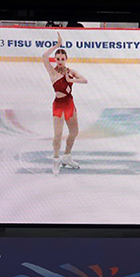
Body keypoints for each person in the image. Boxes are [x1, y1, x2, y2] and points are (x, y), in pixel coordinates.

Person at [42, 32, 87, 175]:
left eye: (62, 58)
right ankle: (56, 160)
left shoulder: (70, 71)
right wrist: (56, 45)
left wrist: (71, 79)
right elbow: (43, 57)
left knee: (74, 132)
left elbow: (84, 80)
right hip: (58, 104)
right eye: (58, 58)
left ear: (66, 59)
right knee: (58, 134)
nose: (60, 60)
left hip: (69, 103)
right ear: (55, 59)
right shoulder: (52, 73)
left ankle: (67, 156)